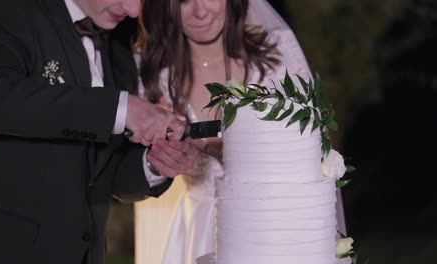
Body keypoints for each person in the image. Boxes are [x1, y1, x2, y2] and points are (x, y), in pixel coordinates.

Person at [0, 1, 199, 264]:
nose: (134, 11)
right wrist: (121, 109)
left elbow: (104, 171)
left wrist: (155, 163)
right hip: (6, 250)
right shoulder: (7, 8)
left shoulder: (118, 43)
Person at [133, 0, 348, 263]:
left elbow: (310, 145)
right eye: (184, 1)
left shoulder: (278, 51)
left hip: (279, 228)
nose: (201, 11)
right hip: (199, 230)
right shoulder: (153, 74)